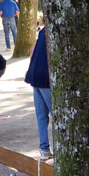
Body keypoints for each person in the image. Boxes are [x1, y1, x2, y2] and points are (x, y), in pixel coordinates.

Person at [24, 22, 52, 161]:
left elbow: (32, 49)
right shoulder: (56, 30)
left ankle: (44, 149)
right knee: (56, 114)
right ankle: (58, 149)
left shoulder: (43, 31)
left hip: (34, 75)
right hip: (44, 77)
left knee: (41, 115)